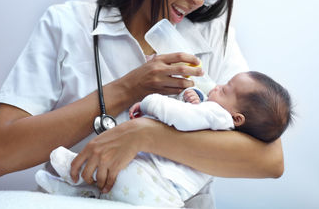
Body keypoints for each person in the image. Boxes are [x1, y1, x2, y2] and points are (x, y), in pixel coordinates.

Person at [0, 0, 285, 208]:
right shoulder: (67, 25)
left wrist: (144, 134)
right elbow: (1, 155)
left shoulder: (213, 38)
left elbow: (269, 160)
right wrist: (128, 88)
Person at [34, 71, 293, 207]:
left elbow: (181, 118)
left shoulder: (217, 115)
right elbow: (197, 113)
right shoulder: (226, 125)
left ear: (237, 118)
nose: (217, 86)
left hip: (154, 182)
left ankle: (73, 170)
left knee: (116, 171)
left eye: (225, 89)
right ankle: (70, 191)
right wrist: (196, 96)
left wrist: (150, 103)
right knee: (109, 187)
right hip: (164, 196)